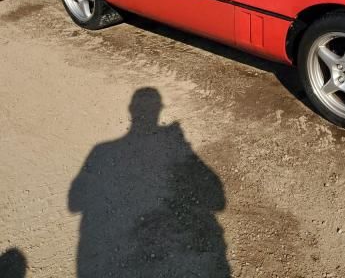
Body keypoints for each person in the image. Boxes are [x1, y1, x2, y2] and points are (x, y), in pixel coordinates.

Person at [69, 87, 229, 277]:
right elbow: (218, 201)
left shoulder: (101, 151)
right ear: (159, 109)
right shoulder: (105, 151)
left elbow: (74, 203)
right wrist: (185, 148)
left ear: (130, 110)